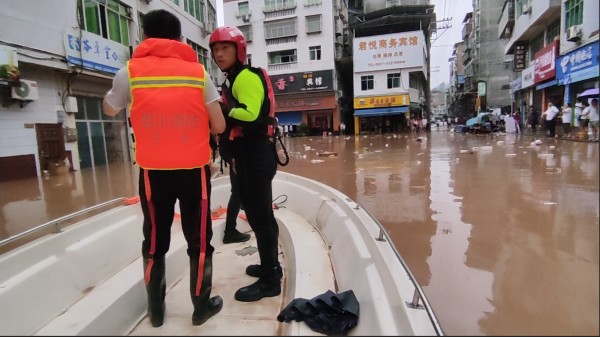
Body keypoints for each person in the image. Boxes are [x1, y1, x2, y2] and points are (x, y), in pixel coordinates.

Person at [102, 9, 226, 327]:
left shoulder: (128, 72)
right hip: (193, 171)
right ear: (179, 39)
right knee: (199, 239)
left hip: (152, 173)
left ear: (144, 36)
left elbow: (110, 108)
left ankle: (156, 313)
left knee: (155, 241)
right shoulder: (198, 73)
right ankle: (201, 307)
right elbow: (220, 125)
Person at [209, 26, 283, 302]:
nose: (219, 54)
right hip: (251, 154)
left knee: (260, 218)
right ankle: (270, 266)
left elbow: (252, 116)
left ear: (238, 50)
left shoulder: (245, 77)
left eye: (224, 48)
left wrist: (221, 109)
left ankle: (270, 281)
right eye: (215, 49)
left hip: (255, 154)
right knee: (261, 216)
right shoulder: (233, 79)